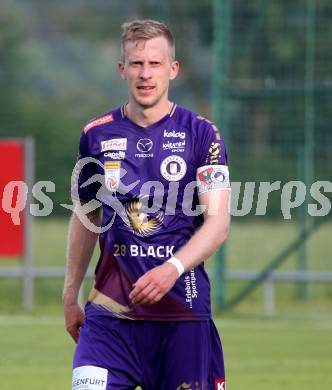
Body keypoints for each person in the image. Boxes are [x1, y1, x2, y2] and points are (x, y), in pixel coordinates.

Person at [63, 19, 231, 390]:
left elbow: (218, 225)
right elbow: (86, 213)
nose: (145, 74)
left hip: (182, 317)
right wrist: (70, 292)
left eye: (155, 64)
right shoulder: (96, 134)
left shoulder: (202, 134)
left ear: (173, 69)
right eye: (136, 64)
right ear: (122, 69)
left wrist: (171, 268)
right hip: (110, 318)